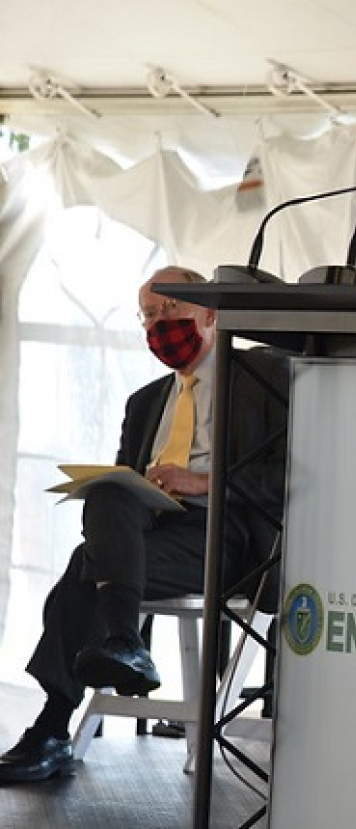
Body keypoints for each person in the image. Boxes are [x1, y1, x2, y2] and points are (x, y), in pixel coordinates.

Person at [0, 266, 289, 785]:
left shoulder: (267, 378)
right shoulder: (144, 402)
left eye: (170, 310)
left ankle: (52, 726)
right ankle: (124, 643)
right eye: (149, 315)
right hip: (151, 537)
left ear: (209, 312)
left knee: (83, 569)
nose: (159, 324)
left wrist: (205, 481)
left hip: (225, 538)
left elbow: (291, 475)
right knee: (111, 489)